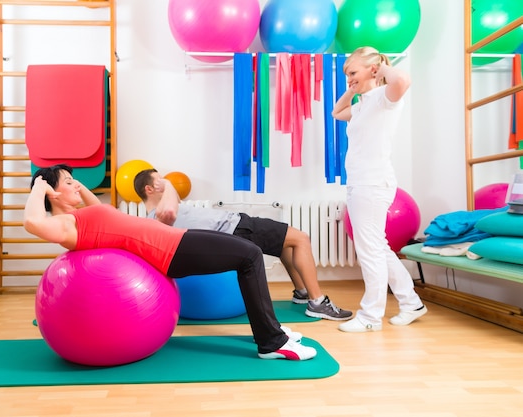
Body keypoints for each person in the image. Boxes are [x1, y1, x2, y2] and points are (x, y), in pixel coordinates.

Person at [24, 164, 316, 360]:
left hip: (172, 241)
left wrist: (69, 183)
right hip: (169, 249)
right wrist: (39, 185)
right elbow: (32, 221)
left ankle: (270, 330)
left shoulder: (82, 216)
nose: (77, 185)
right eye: (68, 182)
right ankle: (271, 342)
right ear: (52, 192)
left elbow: (99, 208)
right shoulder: (64, 223)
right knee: (250, 255)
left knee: (248, 253)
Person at [133, 168, 352, 321]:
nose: (165, 182)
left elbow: (175, 203)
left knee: (287, 242)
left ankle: (303, 292)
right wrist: (169, 183)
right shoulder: (158, 215)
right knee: (301, 238)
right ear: (149, 190)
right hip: (236, 228)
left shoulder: (164, 208)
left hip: (237, 224)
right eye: (158, 181)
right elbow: (171, 208)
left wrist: (165, 184)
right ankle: (317, 303)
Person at [331, 46, 427, 332]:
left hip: (372, 184)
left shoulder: (385, 99)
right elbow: (337, 113)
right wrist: (352, 88)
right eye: (347, 73)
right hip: (362, 183)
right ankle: (411, 303)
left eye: (352, 71)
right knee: (379, 249)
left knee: (370, 251)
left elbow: (403, 81)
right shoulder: (363, 104)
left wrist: (381, 69)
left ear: (372, 69)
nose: (349, 77)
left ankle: (370, 317)